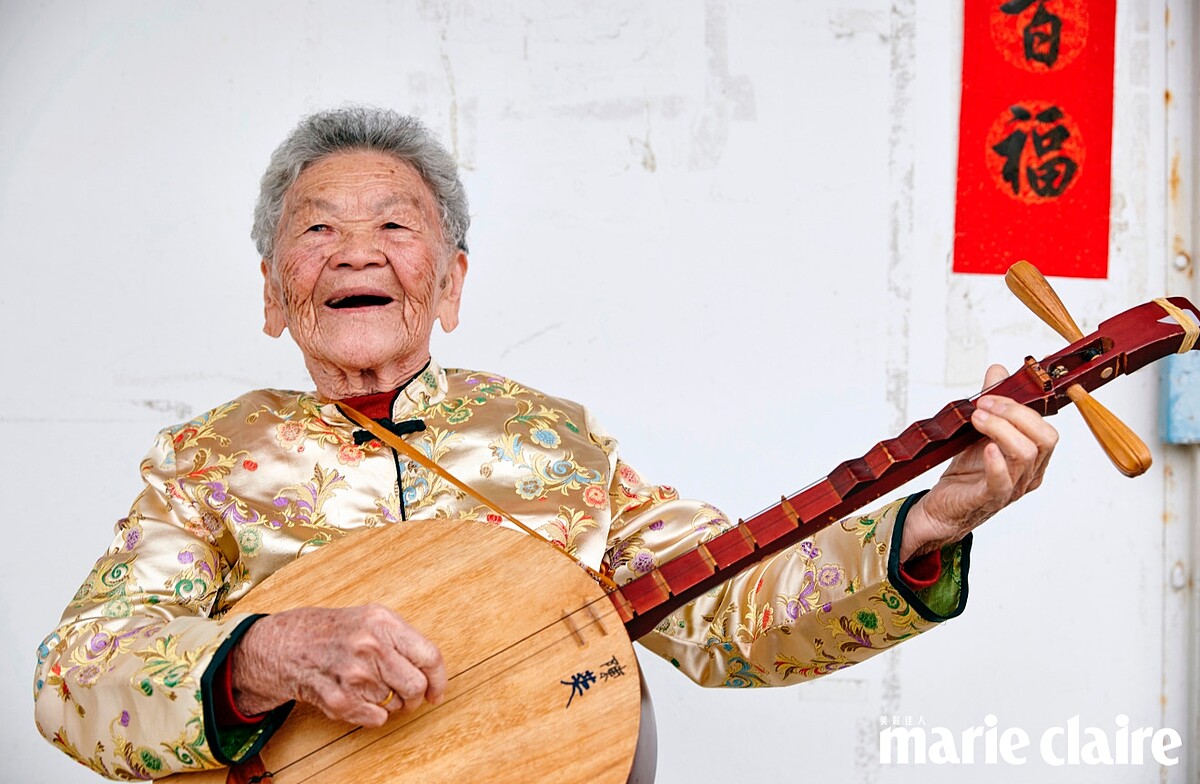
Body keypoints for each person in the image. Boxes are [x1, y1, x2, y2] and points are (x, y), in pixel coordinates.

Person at [33, 107, 1057, 781]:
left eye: (395, 226)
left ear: (451, 281)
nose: (354, 252)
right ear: (272, 293)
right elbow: (74, 677)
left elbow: (729, 612)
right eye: (316, 230)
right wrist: (263, 655)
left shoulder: (554, 444)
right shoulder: (210, 460)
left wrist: (928, 521)